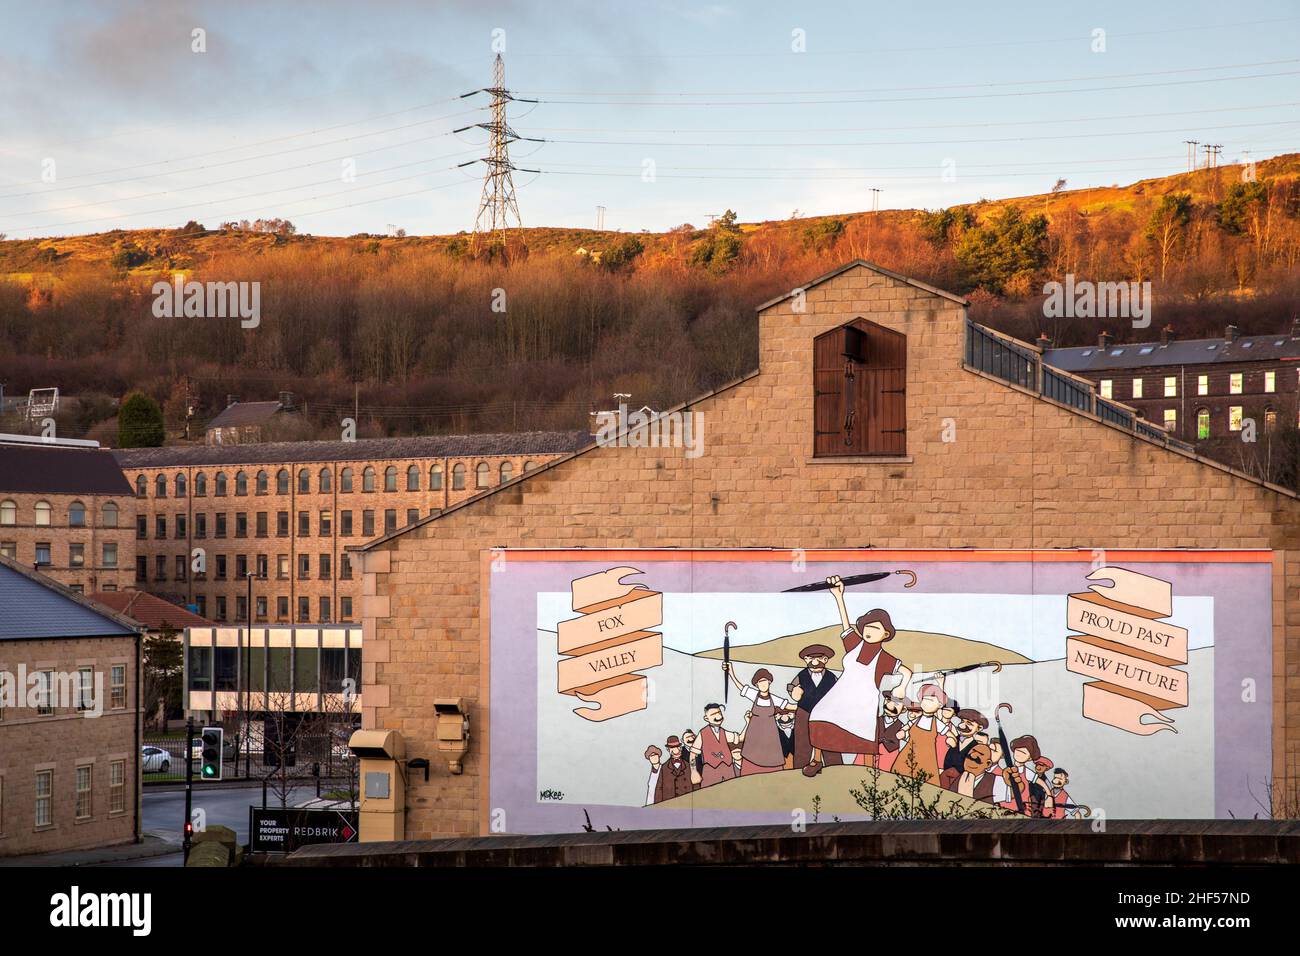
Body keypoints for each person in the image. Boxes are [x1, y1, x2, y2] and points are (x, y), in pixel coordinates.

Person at [805, 575, 913, 776]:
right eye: (867, 627)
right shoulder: (855, 644)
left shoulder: (885, 658)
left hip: (863, 699)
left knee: (863, 731)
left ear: (886, 634)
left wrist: (902, 687)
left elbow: (907, 671)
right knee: (819, 715)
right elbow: (846, 625)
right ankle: (815, 761)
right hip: (841, 694)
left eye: (875, 628)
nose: (869, 631)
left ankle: (872, 770)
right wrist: (839, 596)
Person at [725, 663, 792, 775]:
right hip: (754, 735)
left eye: (765, 681)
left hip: (770, 736)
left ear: (769, 682)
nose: (763, 684)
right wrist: (730, 672)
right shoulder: (753, 694)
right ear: (756, 684)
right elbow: (740, 686)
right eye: (760, 682)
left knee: (772, 762)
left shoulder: (774, 699)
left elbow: (790, 706)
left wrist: (808, 702)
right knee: (751, 759)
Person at [788, 643, 841, 774]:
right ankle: (799, 769)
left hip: (826, 715)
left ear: (825, 660)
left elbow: (841, 691)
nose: (815, 662)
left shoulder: (831, 676)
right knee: (802, 742)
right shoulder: (802, 675)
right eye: (810, 659)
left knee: (830, 742)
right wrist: (793, 690)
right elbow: (791, 686)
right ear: (806, 660)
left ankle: (835, 770)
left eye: (819, 658)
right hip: (805, 712)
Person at [893, 682, 950, 782]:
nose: (926, 703)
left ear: (940, 705)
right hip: (908, 753)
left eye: (931, 700)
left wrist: (952, 738)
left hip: (927, 757)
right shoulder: (916, 719)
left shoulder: (937, 723)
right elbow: (907, 726)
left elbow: (948, 733)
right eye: (924, 699)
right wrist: (902, 731)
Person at [689, 703, 742, 788]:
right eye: (714, 714)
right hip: (711, 772)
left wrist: (748, 722)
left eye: (719, 713)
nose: (718, 716)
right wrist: (694, 772)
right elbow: (693, 754)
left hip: (728, 770)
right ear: (706, 718)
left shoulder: (724, 732)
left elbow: (740, 738)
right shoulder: (702, 733)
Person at [943, 708, 989, 774]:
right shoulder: (953, 739)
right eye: (962, 721)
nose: (962, 726)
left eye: (969, 723)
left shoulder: (977, 746)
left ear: (979, 728)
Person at [652, 736, 696, 804]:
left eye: (678, 747)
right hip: (670, 805)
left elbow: (695, 785)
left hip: (688, 803)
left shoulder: (688, 765)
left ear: (681, 747)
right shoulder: (664, 768)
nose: (676, 751)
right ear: (668, 749)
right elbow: (659, 789)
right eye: (672, 748)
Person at [876, 696, 908, 773]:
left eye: (896, 703)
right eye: (888, 700)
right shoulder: (876, 720)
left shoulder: (901, 726)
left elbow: (908, 737)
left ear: (903, 709)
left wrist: (904, 735)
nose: (890, 705)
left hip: (890, 754)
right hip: (874, 751)